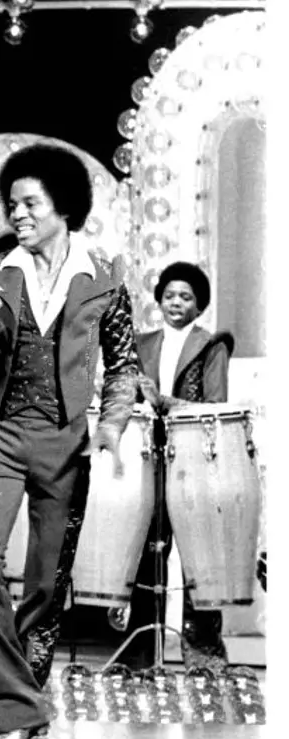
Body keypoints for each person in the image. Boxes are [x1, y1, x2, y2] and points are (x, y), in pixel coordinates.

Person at [0, 144, 139, 739]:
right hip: (1, 436)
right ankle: (15, 705)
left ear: (64, 208)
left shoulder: (105, 276)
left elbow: (122, 364)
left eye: (30, 204)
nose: (17, 214)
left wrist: (111, 427)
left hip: (67, 444)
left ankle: (26, 707)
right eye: (12, 204)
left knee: (46, 587)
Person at [119, 261, 235, 669]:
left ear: (199, 305)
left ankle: (204, 658)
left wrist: (166, 403)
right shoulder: (141, 343)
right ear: (159, 300)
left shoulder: (212, 344)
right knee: (145, 556)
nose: (175, 303)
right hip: (147, 463)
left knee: (197, 560)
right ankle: (138, 658)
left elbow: (217, 409)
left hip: (193, 466)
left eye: (185, 297)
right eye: (169, 295)